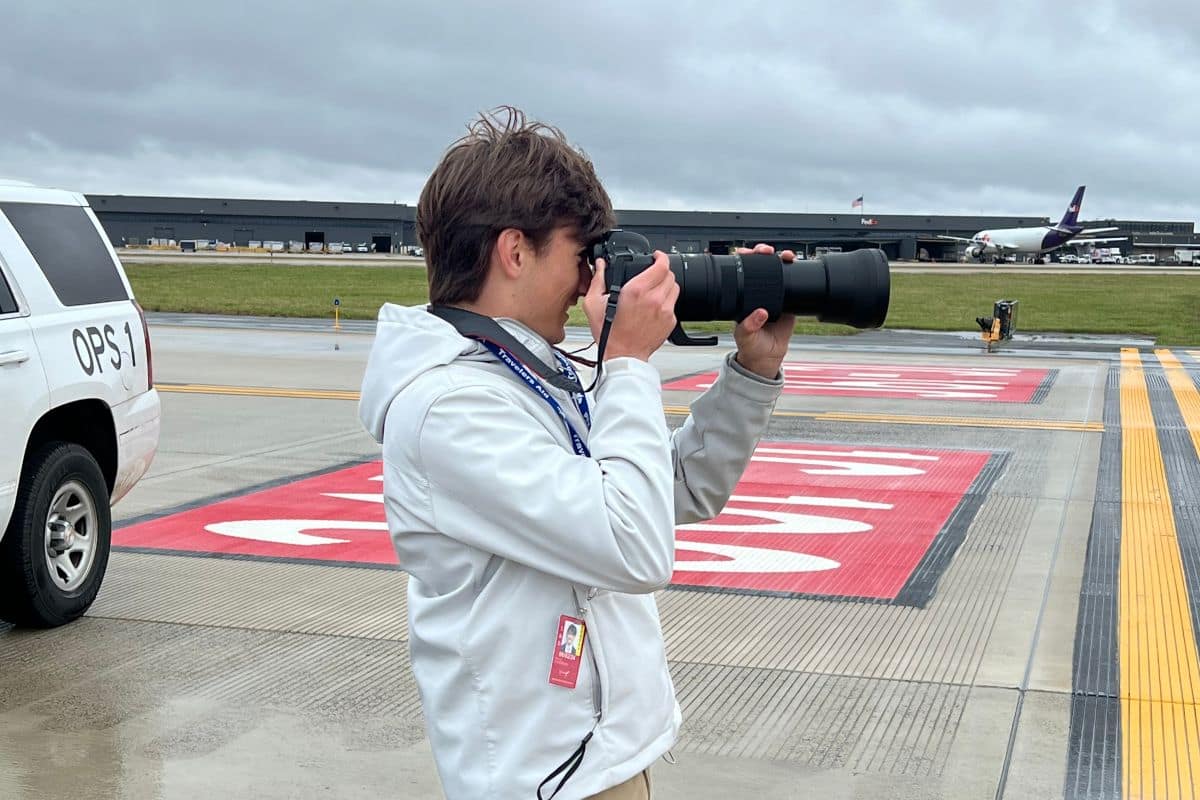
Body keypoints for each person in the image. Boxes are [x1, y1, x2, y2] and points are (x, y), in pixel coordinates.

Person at [358, 106, 797, 800]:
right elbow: (634, 547)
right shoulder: (448, 409)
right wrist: (625, 363)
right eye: (580, 253)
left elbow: (672, 493)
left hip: (605, 756)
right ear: (514, 251)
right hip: (547, 778)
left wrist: (751, 376)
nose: (594, 275)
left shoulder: (531, 372)